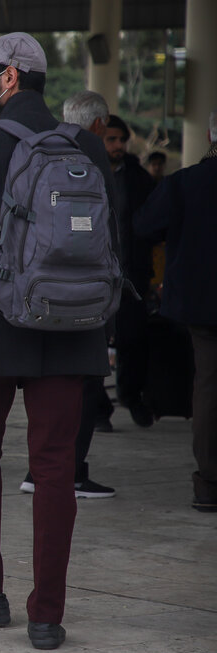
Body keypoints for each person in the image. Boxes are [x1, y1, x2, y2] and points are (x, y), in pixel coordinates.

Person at [0, 33, 118, 650]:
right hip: (71, 331)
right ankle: (47, 615)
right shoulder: (87, 145)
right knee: (56, 466)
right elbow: (115, 240)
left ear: (10, 78)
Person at [19, 90, 117, 499]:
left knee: (46, 385)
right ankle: (70, 472)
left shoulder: (32, 148)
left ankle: (36, 470)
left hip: (38, 290)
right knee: (81, 386)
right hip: (88, 293)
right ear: (98, 125)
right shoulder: (92, 151)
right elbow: (114, 229)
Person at [134, 111, 217, 512]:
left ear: (208, 134)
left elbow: (145, 226)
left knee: (208, 388)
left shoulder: (185, 183)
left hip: (202, 303)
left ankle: (209, 482)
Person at [105, 114, 157, 428]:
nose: (118, 146)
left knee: (133, 339)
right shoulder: (84, 172)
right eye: (111, 139)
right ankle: (97, 409)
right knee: (92, 342)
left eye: (121, 140)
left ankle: (131, 395)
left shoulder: (138, 178)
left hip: (131, 272)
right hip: (92, 273)